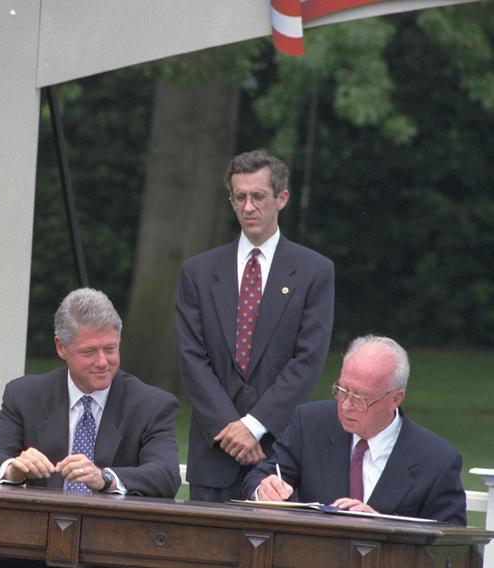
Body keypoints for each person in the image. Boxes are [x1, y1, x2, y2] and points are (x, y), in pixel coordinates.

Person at [175, 148, 334, 502]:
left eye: (258, 196)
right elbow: (191, 359)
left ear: (282, 198)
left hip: (278, 456)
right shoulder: (197, 273)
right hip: (214, 454)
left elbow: (307, 361)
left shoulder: (315, 272)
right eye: (240, 197)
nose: (248, 207)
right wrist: (230, 430)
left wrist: (253, 426)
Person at [0, 288, 181, 499]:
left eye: (110, 349)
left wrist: (105, 478)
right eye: (88, 352)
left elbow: (166, 475)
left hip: (115, 527)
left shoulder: (151, 405)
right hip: (43, 524)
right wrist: (13, 470)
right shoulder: (25, 395)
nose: (102, 362)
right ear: (61, 347)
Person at [240, 336, 466, 525]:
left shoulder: (437, 460)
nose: (346, 405)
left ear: (395, 399)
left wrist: (382, 526)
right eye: (342, 390)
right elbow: (261, 475)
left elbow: (451, 543)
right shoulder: (310, 424)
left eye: (361, 399)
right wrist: (263, 490)